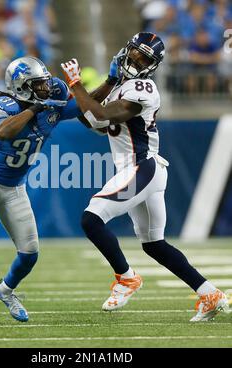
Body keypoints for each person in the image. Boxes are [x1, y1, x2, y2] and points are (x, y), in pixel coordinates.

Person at [61, 32, 230, 322]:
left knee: (91, 219)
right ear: (126, 50)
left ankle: (126, 278)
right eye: (135, 53)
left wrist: (76, 84)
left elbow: (99, 113)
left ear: (152, 66)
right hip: (143, 171)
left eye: (144, 58)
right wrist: (110, 81)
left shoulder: (144, 87)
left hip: (141, 168)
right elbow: (88, 118)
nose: (136, 61)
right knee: (154, 245)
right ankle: (210, 293)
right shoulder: (120, 87)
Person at [0, 54, 120, 326]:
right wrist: (36, 108)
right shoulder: (4, 104)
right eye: (39, 84)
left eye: (46, 83)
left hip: (15, 187)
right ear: (23, 86)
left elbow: (85, 106)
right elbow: (2, 131)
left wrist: (111, 80)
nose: (46, 88)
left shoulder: (50, 100)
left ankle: (6, 290)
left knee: (30, 254)